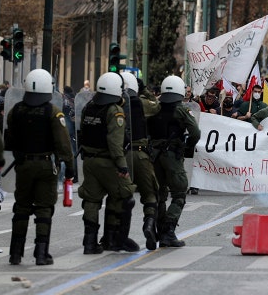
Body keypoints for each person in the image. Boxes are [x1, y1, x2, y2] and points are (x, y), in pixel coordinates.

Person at [7, 69, 74, 265]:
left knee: (21, 207)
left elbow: (10, 139)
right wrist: (70, 166)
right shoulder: (53, 112)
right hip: (45, 165)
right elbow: (63, 143)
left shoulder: (16, 110)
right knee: (44, 208)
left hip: (24, 165)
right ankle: (41, 253)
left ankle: (15, 253)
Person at [78, 72, 137, 254]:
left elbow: (82, 133)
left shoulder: (89, 107)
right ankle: (115, 239)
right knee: (124, 195)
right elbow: (115, 143)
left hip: (89, 160)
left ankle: (90, 242)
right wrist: (122, 166)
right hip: (108, 162)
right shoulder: (115, 111)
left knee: (91, 200)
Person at [147, 75, 201, 247]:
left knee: (160, 194)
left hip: (154, 156)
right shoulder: (181, 109)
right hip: (172, 155)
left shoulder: (154, 107)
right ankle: (168, 231)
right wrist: (186, 148)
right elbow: (195, 132)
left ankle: (159, 229)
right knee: (179, 193)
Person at [122, 73, 161, 250]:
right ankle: (149, 224)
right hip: (140, 154)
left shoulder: (115, 104)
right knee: (150, 194)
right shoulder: (141, 103)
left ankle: (116, 235)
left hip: (122, 156)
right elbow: (157, 106)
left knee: (123, 197)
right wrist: (145, 90)